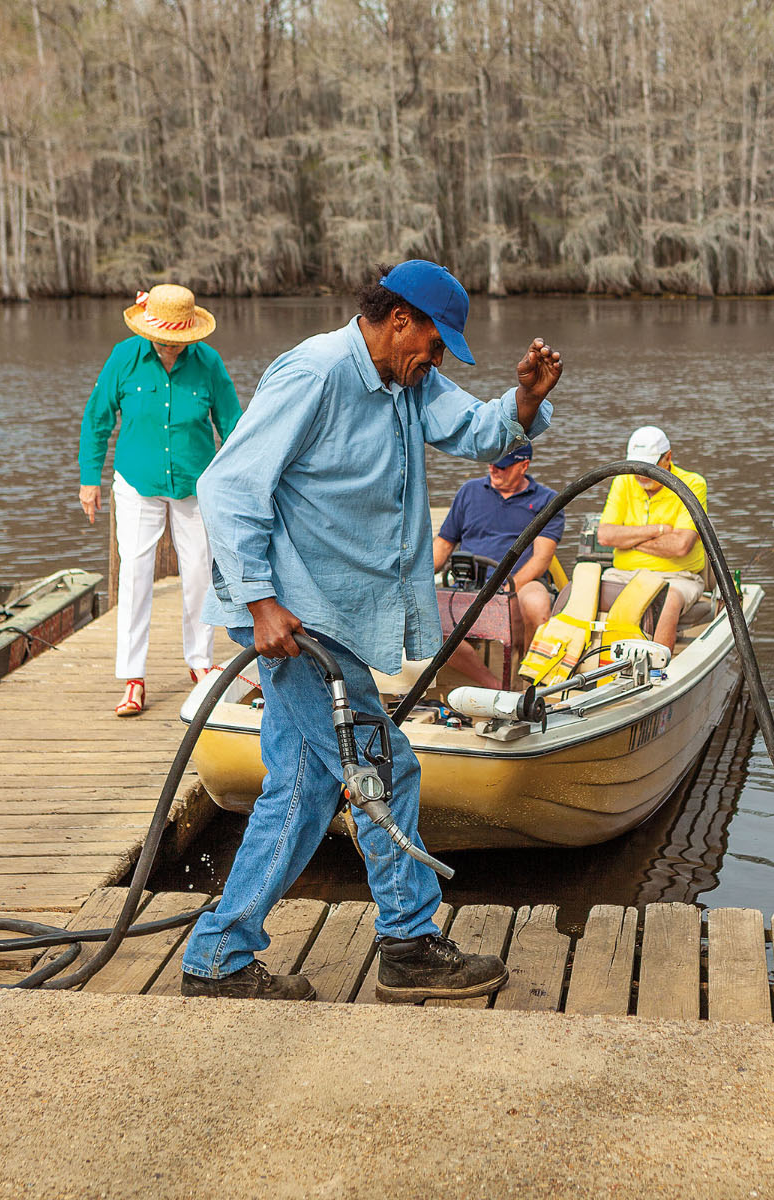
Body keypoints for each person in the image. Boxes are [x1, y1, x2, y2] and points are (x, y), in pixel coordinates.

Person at [182, 260, 562, 1001]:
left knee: (301, 788)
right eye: (435, 340)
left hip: (337, 615)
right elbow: (228, 486)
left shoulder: (408, 384)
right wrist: (260, 601)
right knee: (386, 770)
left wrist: (522, 402)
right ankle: (409, 944)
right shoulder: (316, 373)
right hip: (298, 624)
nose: (439, 357)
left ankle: (217, 958)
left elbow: (479, 432)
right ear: (397, 321)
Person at [78, 284, 241, 717]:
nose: (171, 346)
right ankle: (133, 678)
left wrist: (242, 481)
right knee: (133, 573)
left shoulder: (208, 363)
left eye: (179, 340)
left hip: (196, 481)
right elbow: (97, 417)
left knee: (200, 575)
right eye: (166, 339)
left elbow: (232, 423)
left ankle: (201, 665)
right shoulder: (124, 357)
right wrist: (89, 478)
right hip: (137, 480)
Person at [432, 443, 566, 689]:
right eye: (492, 462)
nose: (494, 469)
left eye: (502, 466)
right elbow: (443, 545)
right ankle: (496, 686)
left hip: (518, 583)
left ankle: (527, 681)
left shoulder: (546, 500)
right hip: (469, 583)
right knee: (427, 621)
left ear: (523, 466)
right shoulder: (469, 491)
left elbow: (541, 559)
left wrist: (506, 587)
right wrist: (414, 575)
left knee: (537, 603)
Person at [597, 426, 708, 652]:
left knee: (669, 599)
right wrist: (657, 530)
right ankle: (591, 663)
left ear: (668, 458)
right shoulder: (623, 481)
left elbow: (680, 546)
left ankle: (658, 669)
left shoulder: (693, 483)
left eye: (649, 467)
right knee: (586, 592)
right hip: (623, 574)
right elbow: (605, 536)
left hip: (678, 577)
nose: (640, 474)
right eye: (637, 466)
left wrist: (628, 539)